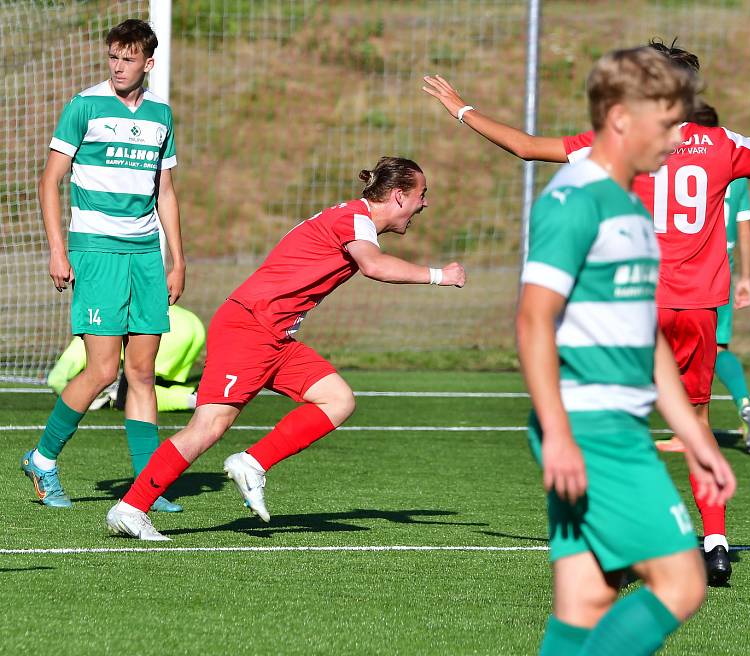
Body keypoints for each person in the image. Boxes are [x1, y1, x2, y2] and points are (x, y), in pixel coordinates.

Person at [423, 39, 750, 585]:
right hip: (697, 310)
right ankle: (715, 543)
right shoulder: (723, 144)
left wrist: (462, 109)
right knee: (695, 424)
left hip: (633, 309)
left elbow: (528, 148)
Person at [105, 156, 466, 540]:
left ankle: (252, 463)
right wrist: (438, 276)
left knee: (338, 399)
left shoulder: (353, 219)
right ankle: (131, 507)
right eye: (421, 195)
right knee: (209, 425)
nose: (424, 204)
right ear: (398, 196)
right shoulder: (355, 220)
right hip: (250, 328)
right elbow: (375, 267)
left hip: (274, 335)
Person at [516, 47, 736, 656]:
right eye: (667, 125)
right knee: (683, 583)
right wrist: (558, 433)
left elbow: (647, 342)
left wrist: (695, 439)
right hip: (591, 427)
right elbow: (534, 320)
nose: (678, 139)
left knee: (584, 601)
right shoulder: (575, 200)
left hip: (611, 422)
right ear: (620, 119)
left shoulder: (634, 207)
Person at [21, 19, 185, 513]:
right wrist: (57, 248)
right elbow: (50, 180)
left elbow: (166, 192)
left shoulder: (161, 114)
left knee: (141, 371)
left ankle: (146, 489)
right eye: (113, 56)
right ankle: (43, 459)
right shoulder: (84, 106)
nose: (118, 66)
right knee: (101, 369)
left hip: (145, 255)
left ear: (148, 63)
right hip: (95, 250)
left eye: (128, 58)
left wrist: (177, 259)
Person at [688, 103, 750, 455]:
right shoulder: (732, 163)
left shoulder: (674, 159)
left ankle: (685, 431)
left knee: (677, 348)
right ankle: (745, 403)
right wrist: (746, 277)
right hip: (726, 262)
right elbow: (745, 230)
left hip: (692, 261)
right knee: (718, 348)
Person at [47, 304, 205, 413]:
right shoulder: (103, 321)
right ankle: (200, 393)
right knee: (157, 382)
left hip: (169, 328)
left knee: (129, 395)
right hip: (191, 323)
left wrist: (83, 400)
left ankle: (191, 400)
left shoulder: (87, 339)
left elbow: (55, 380)